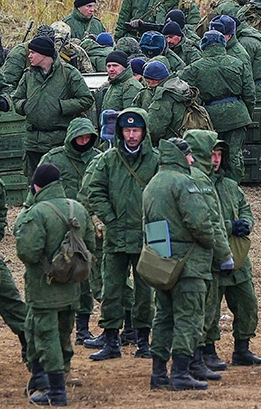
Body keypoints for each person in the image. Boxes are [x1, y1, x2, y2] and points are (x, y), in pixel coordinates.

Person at [142, 138, 233, 391]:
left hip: (162, 262)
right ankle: (181, 372)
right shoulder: (184, 183)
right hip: (189, 265)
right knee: (189, 317)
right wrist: (218, 251)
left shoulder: (153, 183)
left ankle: (158, 372)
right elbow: (201, 224)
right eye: (189, 156)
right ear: (181, 157)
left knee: (163, 317)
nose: (192, 160)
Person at [80, 110, 159, 359]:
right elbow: (95, 190)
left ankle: (143, 342)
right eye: (127, 130)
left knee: (145, 291)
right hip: (116, 234)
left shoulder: (155, 160)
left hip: (146, 235)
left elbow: (164, 192)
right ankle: (111, 341)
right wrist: (110, 218)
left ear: (144, 132)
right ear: (120, 132)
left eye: (136, 131)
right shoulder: (108, 160)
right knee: (112, 288)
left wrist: (152, 221)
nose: (132, 135)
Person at [15, 163, 96, 405]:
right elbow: (91, 243)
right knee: (63, 332)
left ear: (37, 186)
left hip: (44, 287)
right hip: (72, 285)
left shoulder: (37, 213)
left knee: (44, 334)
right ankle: (49, 377)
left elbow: (28, 252)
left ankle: (55, 391)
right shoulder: (78, 209)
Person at [200, 136, 261, 368]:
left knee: (248, 304)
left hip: (237, 257)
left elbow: (245, 209)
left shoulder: (230, 186)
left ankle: (242, 349)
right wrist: (230, 226)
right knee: (209, 308)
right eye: (212, 155)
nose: (216, 160)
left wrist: (246, 223)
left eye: (219, 155)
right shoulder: (196, 186)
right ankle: (207, 351)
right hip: (211, 257)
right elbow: (201, 222)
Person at [42, 118, 101, 344]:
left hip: (87, 226)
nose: (83, 141)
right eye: (79, 137)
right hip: (60, 224)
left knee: (85, 277)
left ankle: (83, 329)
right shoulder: (54, 159)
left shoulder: (98, 158)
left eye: (87, 137)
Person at [13, 36, 94, 179]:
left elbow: (87, 99)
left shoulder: (68, 73)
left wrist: (62, 106)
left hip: (58, 142)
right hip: (33, 142)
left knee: (58, 182)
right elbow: (16, 100)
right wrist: (25, 106)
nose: (29, 56)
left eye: (33, 52)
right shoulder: (28, 75)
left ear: (44, 54)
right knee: (34, 184)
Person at [181, 30, 256, 181]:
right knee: (234, 154)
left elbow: (184, 91)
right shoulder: (238, 63)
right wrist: (246, 113)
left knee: (209, 152)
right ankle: (233, 186)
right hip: (237, 114)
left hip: (210, 116)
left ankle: (210, 184)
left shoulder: (195, 68)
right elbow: (250, 93)